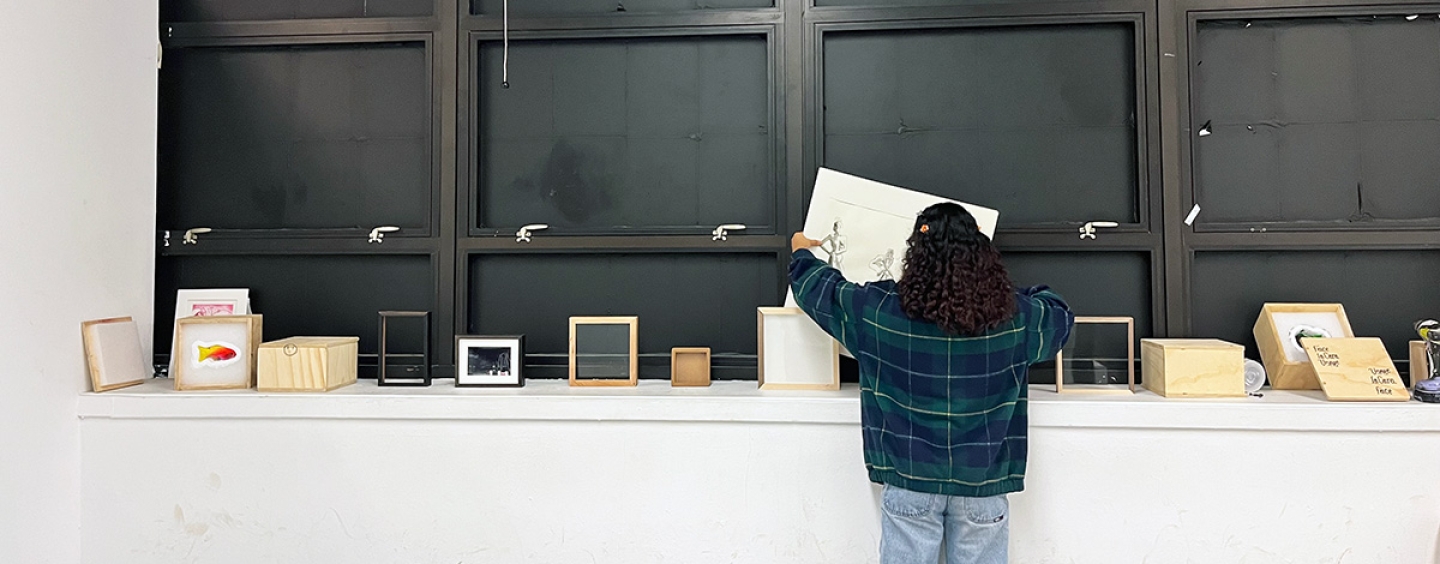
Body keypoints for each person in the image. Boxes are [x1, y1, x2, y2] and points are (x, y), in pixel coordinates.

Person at [789, 202, 1074, 564]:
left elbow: (821, 290)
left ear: (914, 254)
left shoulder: (879, 310)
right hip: (982, 486)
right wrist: (1005, 293)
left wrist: (801, 252)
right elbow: (1059, 314)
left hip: (909, 481)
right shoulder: (1016, 319)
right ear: (982, 253)